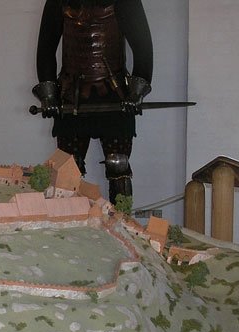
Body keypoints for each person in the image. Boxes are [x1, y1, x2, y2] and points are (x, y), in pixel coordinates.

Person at [33, 0, 153, 205]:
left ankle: (122, 219)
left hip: (115, 95)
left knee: (118, 166)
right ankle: (67, 219)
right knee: (68, 170)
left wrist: (136, 92)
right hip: (72, 97)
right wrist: (49, 95)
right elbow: (46, 47)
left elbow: (142, 46)